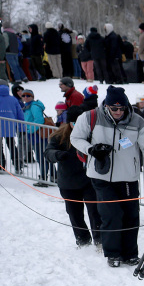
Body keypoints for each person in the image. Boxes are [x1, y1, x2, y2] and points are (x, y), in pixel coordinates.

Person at [70, 85, 144, 267]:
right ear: (106, 106)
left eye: (121, 108)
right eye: (113, 108)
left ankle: (130, 253)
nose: (117, 112)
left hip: (128, 177)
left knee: (131, 216)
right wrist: (91, 149)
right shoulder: (90, 117)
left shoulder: (138, 122)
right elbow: (75, 138)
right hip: (101, 176)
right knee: (111, 214)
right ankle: (113, 253)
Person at [45, 106, 102, 249]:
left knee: (95, 212)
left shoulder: (92, 134)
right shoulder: (59, 137)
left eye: (80, 122)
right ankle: (83, 240)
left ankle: (100, 240)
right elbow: (48, 152)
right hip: (68, 182)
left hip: (89, 180)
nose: (78, 126)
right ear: (69, 122)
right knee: (74, 213)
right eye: (74, 123)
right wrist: (57, 155)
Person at [19, 88, 50, 185]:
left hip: (38, 135)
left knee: (41, 157)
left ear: (32, 97)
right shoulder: (27, 106)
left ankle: (44, 178)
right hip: (35, 135)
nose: (26, 97)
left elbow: (39, 120)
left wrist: (29, 130)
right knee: (42, 156)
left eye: (28, 95)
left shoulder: (34, 106)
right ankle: (52, 176)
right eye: (24, 95)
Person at [0, 79, 23, 171]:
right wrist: (22, 127)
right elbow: (20, 114)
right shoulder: (13, 99)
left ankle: (1, 165)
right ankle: (17, 165)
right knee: (12, 145)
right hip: (10, 126)